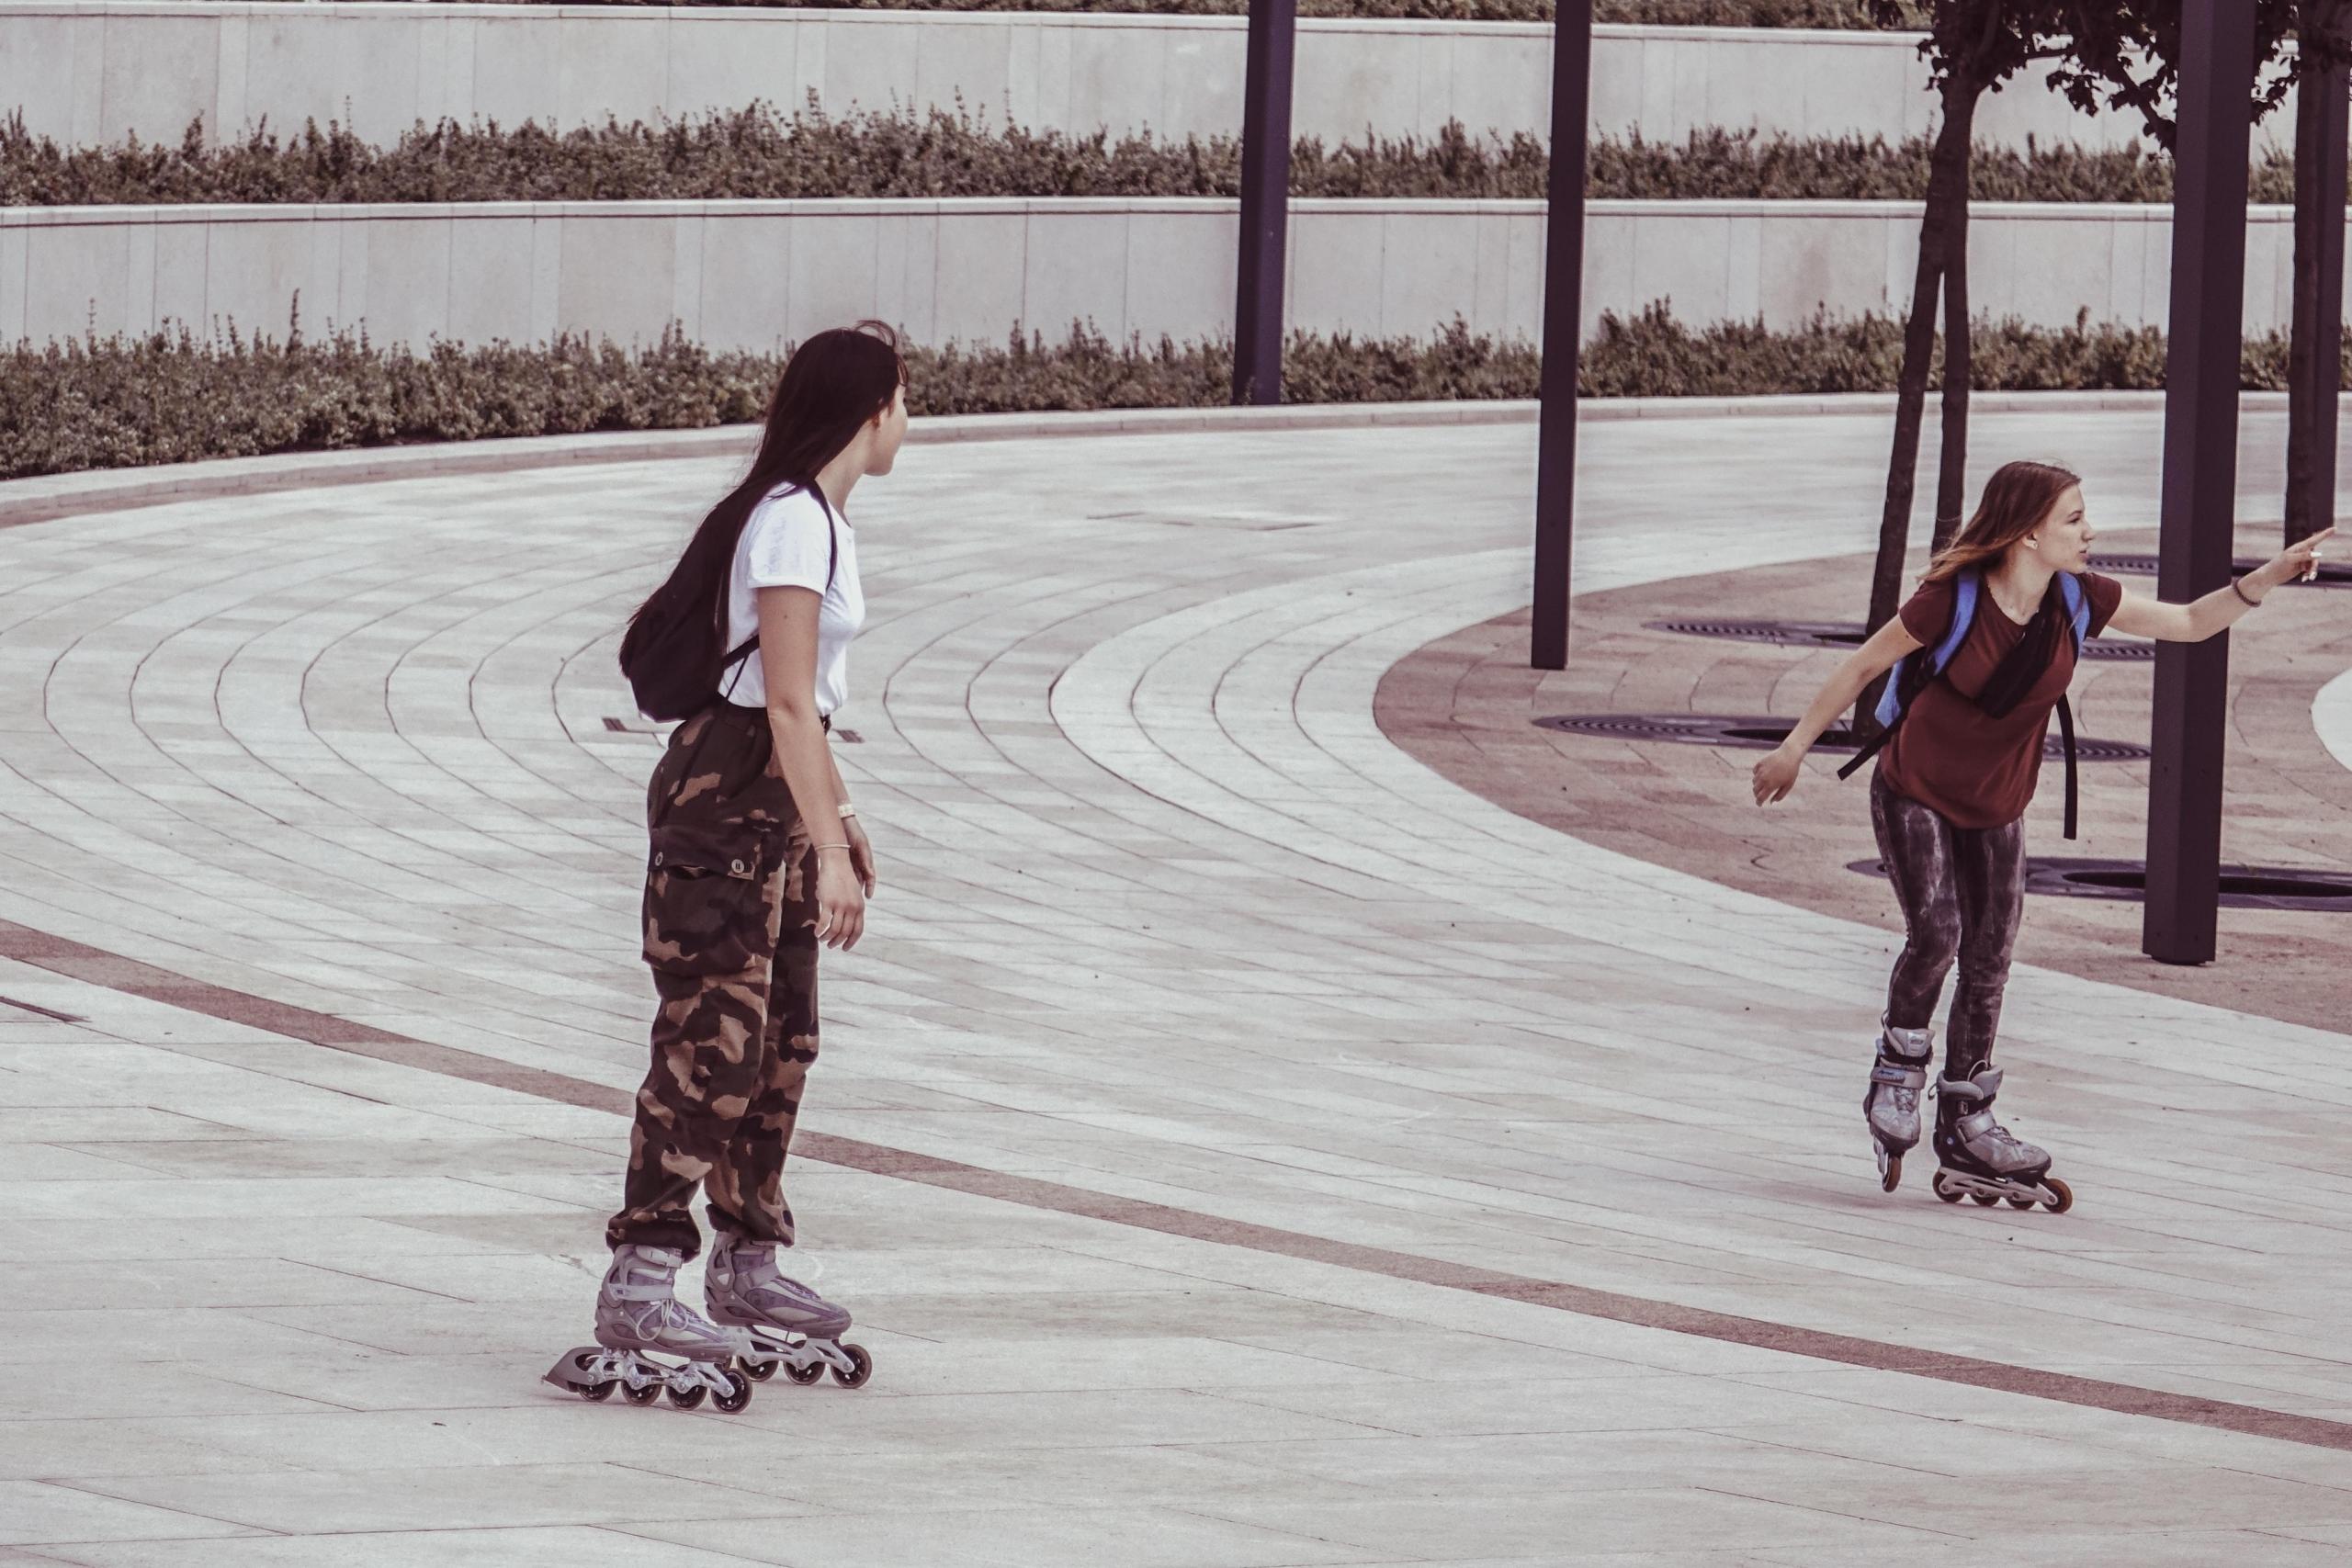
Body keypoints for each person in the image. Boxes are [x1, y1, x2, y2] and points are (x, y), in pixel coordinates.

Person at [1750, 459, 2330, 1212]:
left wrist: (2268, 577)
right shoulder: (1952, 598)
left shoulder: (2080, 599)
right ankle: (1897, 1071)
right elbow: (1864, 665)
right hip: (1915, 790)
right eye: (2074, 519)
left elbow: (2188, 622)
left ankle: (1967, 1118)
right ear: (2027, 533)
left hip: (1997, 804)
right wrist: (1793, 747)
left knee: (1990, 957)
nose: (2090, 532)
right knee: (1939, 932)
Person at [549, 322, 905, 1409]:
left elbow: (809, 708)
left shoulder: (823, 519)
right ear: (870, 411)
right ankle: (640, 1279)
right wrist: (829, 850)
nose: (909, 424)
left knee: (783, 1040)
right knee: (714, 1040)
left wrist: (838, 815)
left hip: (776, 796)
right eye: (903, 402)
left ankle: (747, 1261)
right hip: (724, 800)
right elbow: (784, 701)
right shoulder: (792, 522)